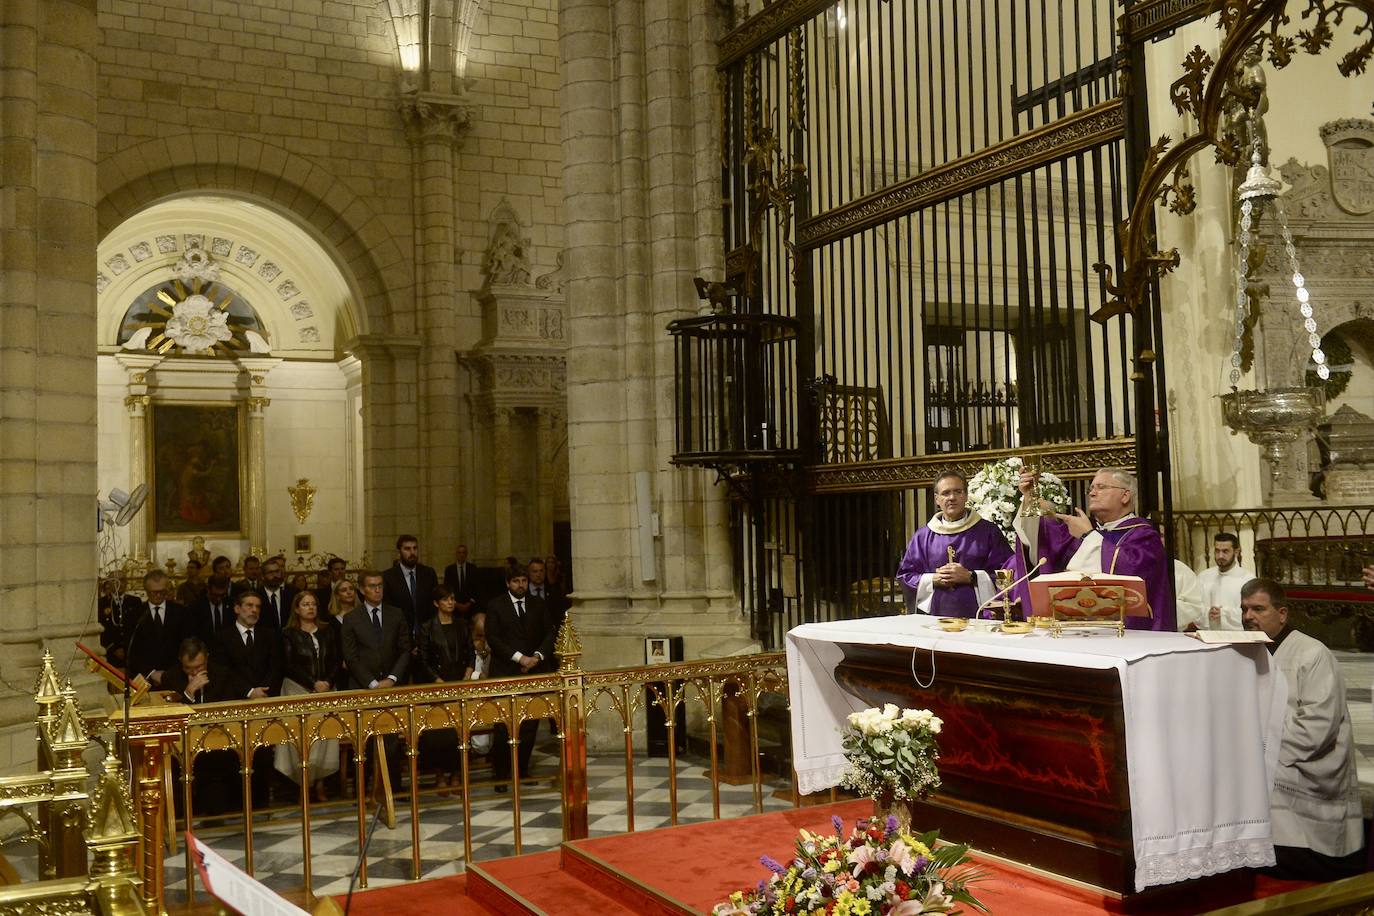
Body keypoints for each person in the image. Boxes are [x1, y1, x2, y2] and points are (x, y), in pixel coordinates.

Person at [1241, 578, 1364, 881]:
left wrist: (1260, 753)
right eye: (1244, 609)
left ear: (1282, 614)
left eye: (1258, 609)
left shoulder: (1312, 654)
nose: (1248, 617)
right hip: (1267, 753)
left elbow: (1317, 728)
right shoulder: (1246, 652)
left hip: (1306, 760)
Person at [1009, 466, 1175, 630]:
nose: (1092, 493)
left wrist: (1088, 536)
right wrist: (1030, 498)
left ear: (1125, 496)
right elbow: (1041, 544)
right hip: (1072, 630)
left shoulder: (1143, 535)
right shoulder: (1082, 529)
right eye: (1091, 489)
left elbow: (1133, 574)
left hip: (1125, 634)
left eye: (1101, 487)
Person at [894, 471, 1013, 617]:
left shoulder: (988, 532)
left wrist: (971, 577)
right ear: (937, 499)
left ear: (966, 495)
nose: (952, 498)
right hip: (935, 618)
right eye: (945, 493)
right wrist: (932, 579)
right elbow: (906, 576)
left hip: (980, 618)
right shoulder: (923, 536)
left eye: (958, 491)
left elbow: (1008, 572)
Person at [484, 564, 555, 787]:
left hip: (534, 670)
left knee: (530, 724)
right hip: (506, 671)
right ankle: (501, 772)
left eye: (524, 580)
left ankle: (522, 769)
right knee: (504, 723)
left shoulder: (538, 604)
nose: (521, 585)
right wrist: (519, 658)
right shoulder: (496, 605)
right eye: (516, 581)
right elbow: (493, 638)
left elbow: (550, 632)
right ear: (508, 583)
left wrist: (536, 656)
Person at [278, 591, 343, 802]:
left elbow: (335, 660)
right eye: (305, 604)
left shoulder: (327, 631)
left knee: (325, 739)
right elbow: (288, 664)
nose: (310, 608)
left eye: (313, 604)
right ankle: (304, 785)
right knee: (303, 740)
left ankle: (321, 785)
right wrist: (312, 683)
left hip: (325, 690)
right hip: (298, 690)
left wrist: (327, 682)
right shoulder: (288, 633)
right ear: (297, 609)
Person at [161, 637, 238, 814]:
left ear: (207, 659)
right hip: (182, 743)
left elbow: (227, 709)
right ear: (181, 661)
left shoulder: (222, 674)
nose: (194, 673)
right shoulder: (170, 677)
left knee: (218, 766)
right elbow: (170, 713)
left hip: (215, 740)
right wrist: (188, 693)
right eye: (189, 668)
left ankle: (215, 813)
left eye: (199, 668)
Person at [416, 585, 475, 792]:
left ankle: (457, 774)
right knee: (439, 733)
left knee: (459, 732)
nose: (450, 602)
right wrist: (437, 681)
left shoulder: (462, 624)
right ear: (436, 603)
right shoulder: (427, 627)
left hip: (459, 682)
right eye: (445, 599)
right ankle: (440, 774)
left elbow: (470, 653)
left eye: (452, 598)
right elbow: (422, 660)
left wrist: (467, 674)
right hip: (437, 685)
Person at [341, 571, 411, 690]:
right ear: (362, 590)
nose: (378, 590)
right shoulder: (351, 619)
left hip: (394, 684)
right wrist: (372, 683)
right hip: (362, 685)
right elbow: (351, 657)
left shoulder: (396, 614)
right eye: (372, 586)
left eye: (380, 585)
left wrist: (392, 678)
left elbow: (405, 650)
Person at [126, 570, 192, 688]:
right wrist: (151, 673)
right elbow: (131, 650)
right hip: (145, 679)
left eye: (162, 592)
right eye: (154, 592)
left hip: (176, 675)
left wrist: (171, 673)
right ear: (146, 591)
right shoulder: (135, 614)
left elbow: (186, 644)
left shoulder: (180, 612)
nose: (158, 595)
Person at [212, 590, 284, 699]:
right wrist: (249, 692)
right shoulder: (222, 638)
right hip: (235, 699)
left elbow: (275, 667)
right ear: (237, 609)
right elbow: (223, 671)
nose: (254, 610)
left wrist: (262, 691)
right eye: (249, 605)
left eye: (258, 607)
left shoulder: (270, 635)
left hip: (266, 697)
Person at [382, 534, 439, 640]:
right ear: (399, 552)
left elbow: (435, 604)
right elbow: (388, 609)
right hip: (401, 636)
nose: (412, 552)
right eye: (407, 549)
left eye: (415, 548)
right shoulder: (388, 577)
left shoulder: (429, 573)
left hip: (427, 635)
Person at [1193, 533, 1252, 630]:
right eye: (1217, 551)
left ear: (1236, 552)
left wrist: (1224, 614)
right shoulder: (1204, 577)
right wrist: (1208, 613)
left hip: (1236, 637)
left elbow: (1252, 613)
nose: (1220, 556)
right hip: (1207, 636)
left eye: (1225, 551)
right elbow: (1194, 607)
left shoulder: (1247, 579)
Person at [187, 575, 232, 642]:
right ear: (208, 589)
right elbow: (192, 634)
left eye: (222, 595)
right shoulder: (195, 607)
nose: (218, 599)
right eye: (215, 595)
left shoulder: (232, 605)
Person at [442, 543, 480, 623]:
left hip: (470, 607)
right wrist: (456, 604)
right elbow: (447, 588)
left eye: (463, 553)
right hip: (454, 606)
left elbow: (477, 588)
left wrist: (470, 603)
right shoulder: (449, 570)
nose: (461, 555)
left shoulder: (473, 568)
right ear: (456, 554)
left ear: (466, 554)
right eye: (459, 553)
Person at [259, 556, 295, 631]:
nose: (275, 575)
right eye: (270, 572)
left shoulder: (291, 595)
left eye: (277, 571)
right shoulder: (256, 596)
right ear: (262, 576)